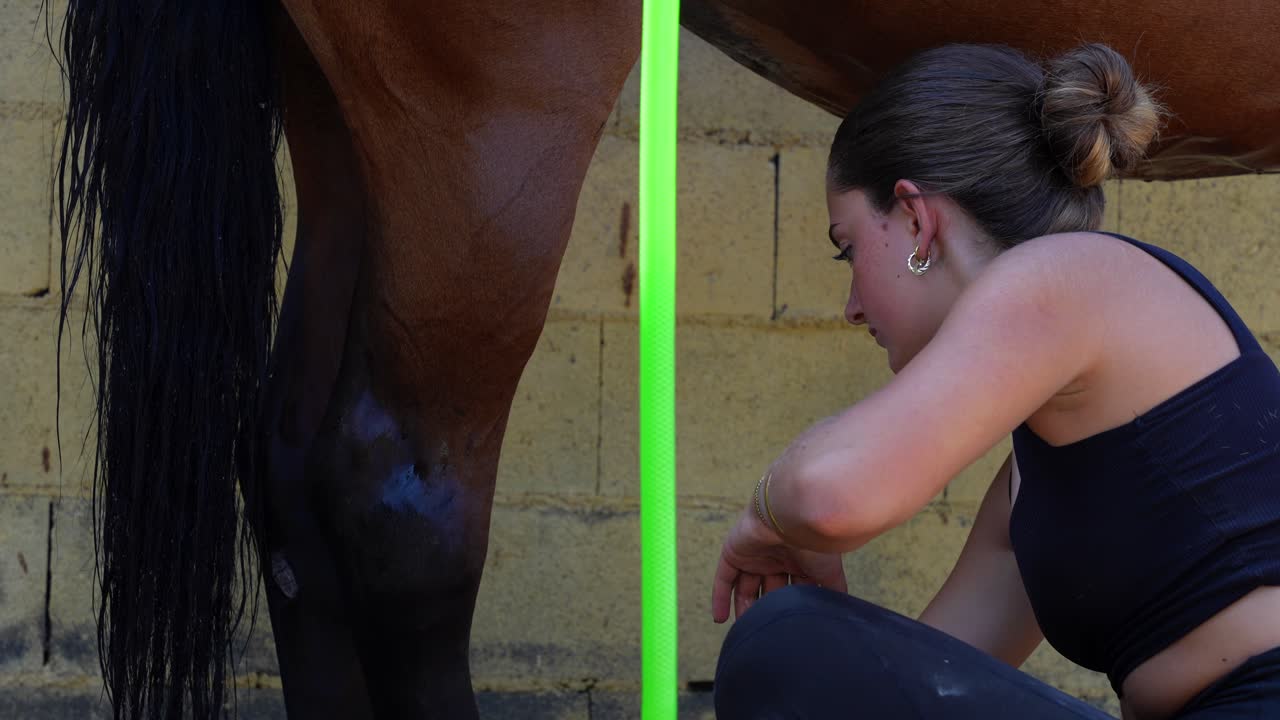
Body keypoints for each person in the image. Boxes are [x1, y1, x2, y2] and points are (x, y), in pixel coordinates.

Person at [709, 42, 1280, 720]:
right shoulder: (1027, 494)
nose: (851, 306)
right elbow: (919, 680)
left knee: (785, 641)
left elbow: (831, 495)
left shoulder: (1068, 276)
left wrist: (766, 518)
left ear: (917, 222)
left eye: (850, 247)